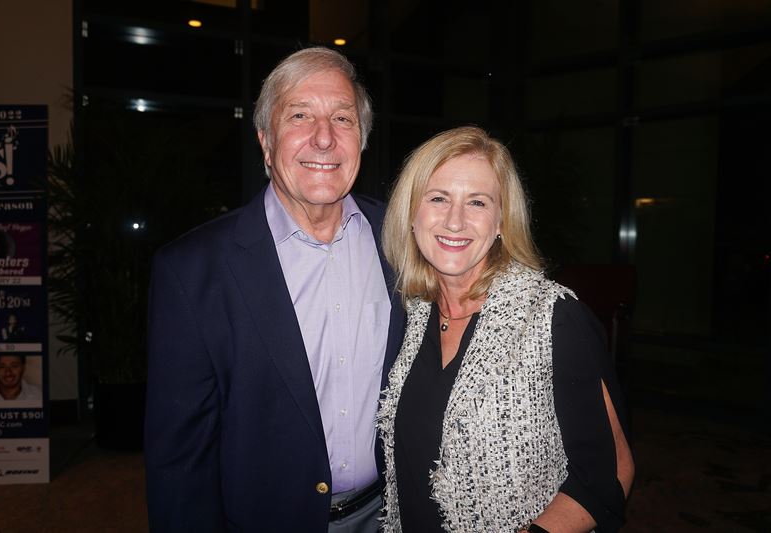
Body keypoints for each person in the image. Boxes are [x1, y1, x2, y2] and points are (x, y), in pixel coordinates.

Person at [144, 47, 405, 532]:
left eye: (342, 118)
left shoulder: (405, 241)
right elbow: (179, 460)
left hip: (390, 515)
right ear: (265, 141)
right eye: (300, 116)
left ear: (362, 140)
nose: (324, 138)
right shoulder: (192, 271)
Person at [377, 126, 635, 532]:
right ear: (411, 214)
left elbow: (607, 474)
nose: (455, 221)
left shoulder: (553, 318)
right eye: (438, 198)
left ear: (501, 221)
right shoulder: (410, 316)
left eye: (477, 202)